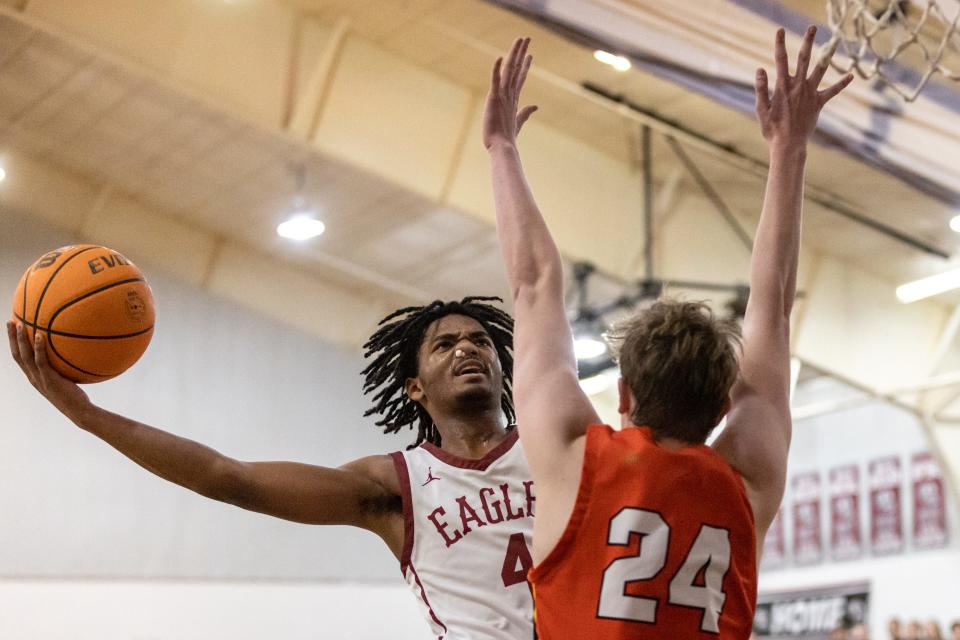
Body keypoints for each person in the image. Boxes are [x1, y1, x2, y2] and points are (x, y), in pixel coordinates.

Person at [483, 27, 852, 639]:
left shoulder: (574, 459)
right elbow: (773, 309)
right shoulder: (747, 478)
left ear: (623, 394)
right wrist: (790, 150)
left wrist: (501, 149)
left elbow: (535, 285)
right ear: (723, 402)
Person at [7, 296, 536, 639]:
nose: (468, 347)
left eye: (481, 341)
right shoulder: (394, 486)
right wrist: (88, 416)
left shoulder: (554, 452)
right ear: (414, 387)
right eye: (445, 343)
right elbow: (228, 477)